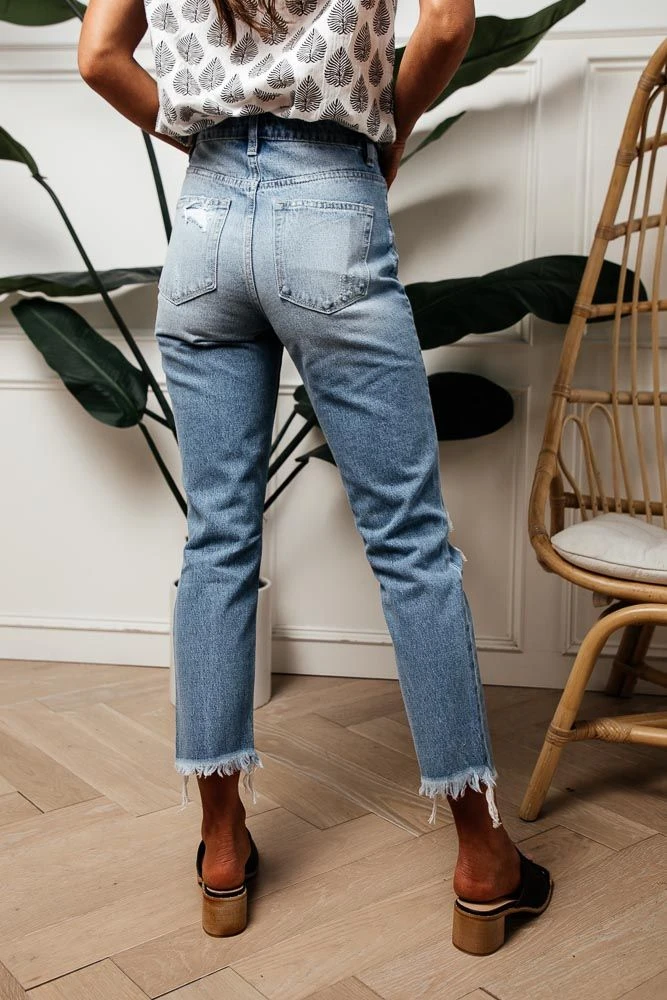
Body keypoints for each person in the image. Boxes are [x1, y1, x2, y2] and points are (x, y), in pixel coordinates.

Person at [78, 0, 553, 953]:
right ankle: (480, 860)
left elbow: (98, 56)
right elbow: (447, 25)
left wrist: (211, 140)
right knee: (409, 545)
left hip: (207, 219)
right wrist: (388, 133)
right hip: (330, 201)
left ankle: (221, 851)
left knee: (217, 541)